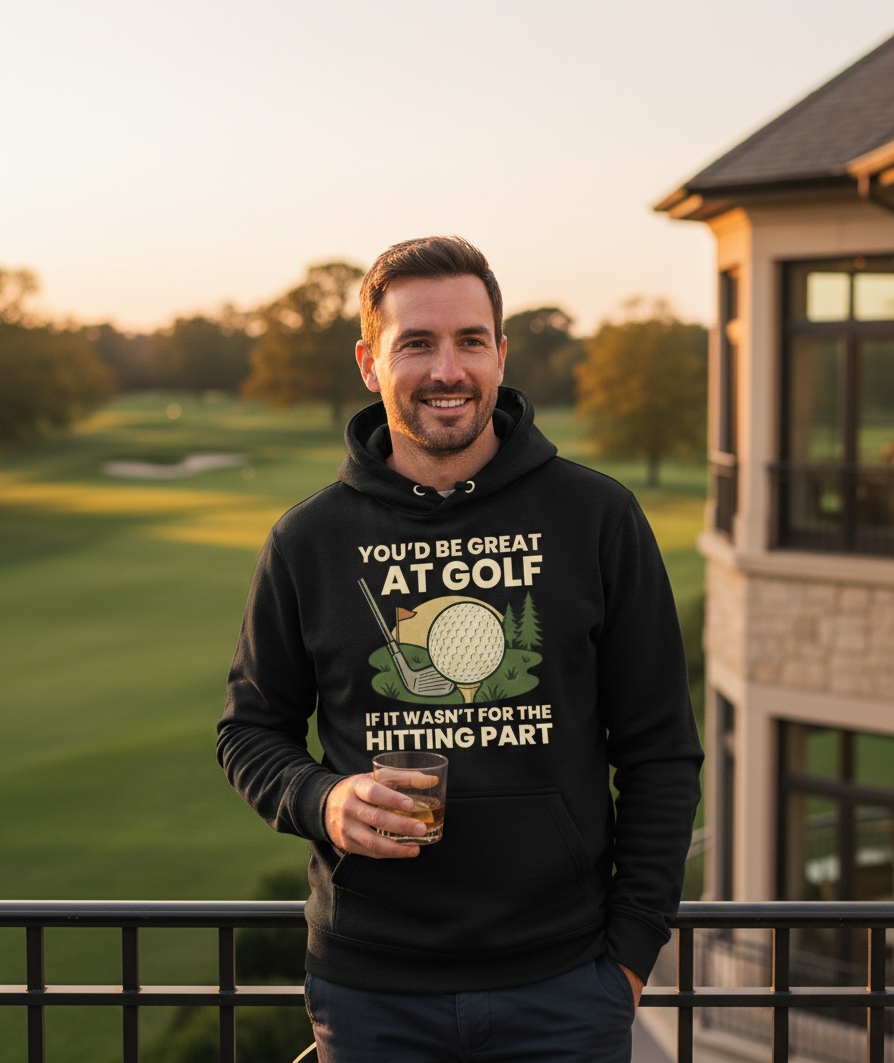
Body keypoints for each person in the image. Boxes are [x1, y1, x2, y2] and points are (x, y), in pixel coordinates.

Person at [217, 235, 703, 1062]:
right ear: (371, 362)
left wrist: (629, 955)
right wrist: (323, 800)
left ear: (501, 353)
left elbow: (661, 749)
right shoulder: (309, 539)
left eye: (470, 341)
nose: (449, 369)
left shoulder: (597, 518)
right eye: (417, 343)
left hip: (565, 987)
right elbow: (249, 731)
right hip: (370, 991)